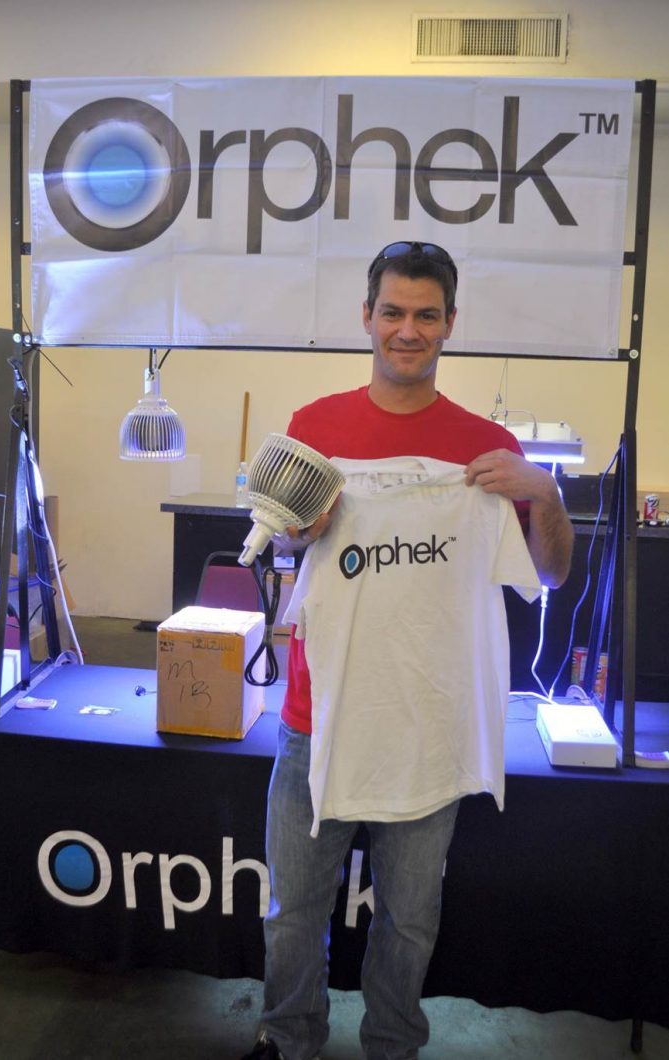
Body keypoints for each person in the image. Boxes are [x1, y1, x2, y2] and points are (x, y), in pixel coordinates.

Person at [242, 241, 574, 1060]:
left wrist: (545, 492)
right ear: (367, 316)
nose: (407, 330)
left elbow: (549, 575)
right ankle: (288, 1038)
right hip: (317, 716)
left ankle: (392, 1046)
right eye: (392, 312)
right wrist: (298, 533)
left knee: (411, 917)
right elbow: (284, 551)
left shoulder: (486, 449)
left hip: (429, 722)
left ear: (449, 323)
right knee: (292, 910)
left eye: (426, 315)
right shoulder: (313, 428)